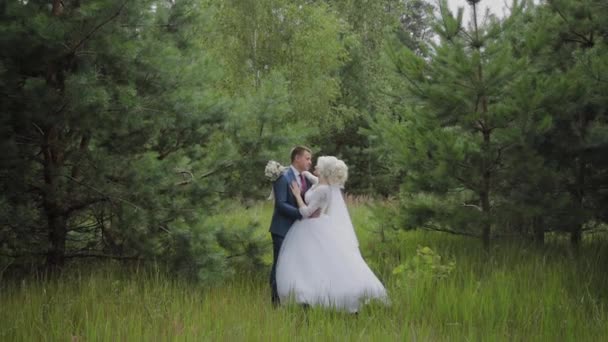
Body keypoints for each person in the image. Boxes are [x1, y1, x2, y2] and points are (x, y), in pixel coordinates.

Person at [275, 156, 389, 313]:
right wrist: (290, 171)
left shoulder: (323, 189)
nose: (314, 166)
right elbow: (311, 178)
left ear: (323, 170)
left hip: (312, 225)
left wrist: (296, 195)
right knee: (310, 263)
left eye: (317, 165)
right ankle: (307, 294)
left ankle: (318, 297)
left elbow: (307, 212)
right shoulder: (319, 183)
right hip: (312, 227)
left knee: (315, 263)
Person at [268, 146, 313, 307]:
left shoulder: (306, 178)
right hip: (282, 229)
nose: (310, 162)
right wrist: (301, 213)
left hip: (299, 231)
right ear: (297, 158)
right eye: (307, 158)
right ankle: (275, 302)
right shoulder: (283, 177)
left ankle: (294, 298)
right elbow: (281, 204)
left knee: (295, 265)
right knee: (279, 264)